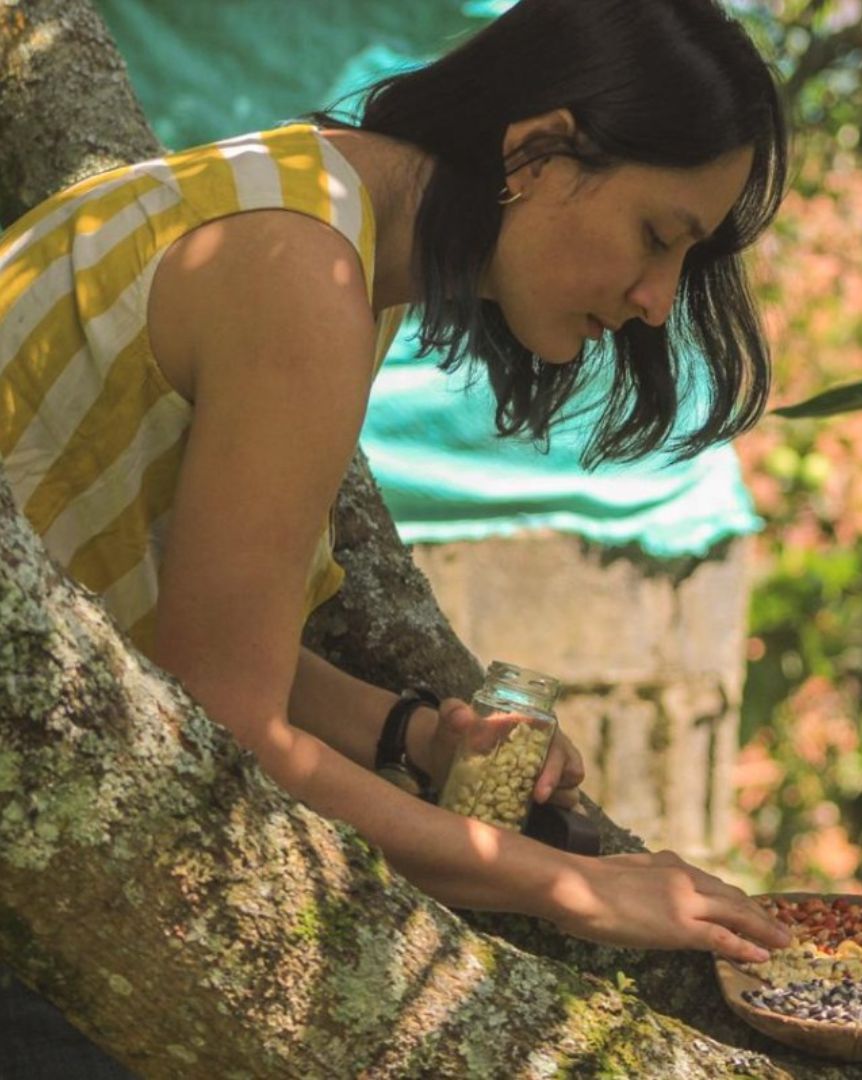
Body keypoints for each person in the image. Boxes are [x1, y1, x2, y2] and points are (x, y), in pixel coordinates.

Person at [0, 0, 790, 1071]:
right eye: (659, 238)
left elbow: (194, 639)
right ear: (537, 153)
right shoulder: (304, 272)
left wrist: (413, 734)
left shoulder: (312, 209)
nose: (658, 304)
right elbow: (219, 739)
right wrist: (577, 889)